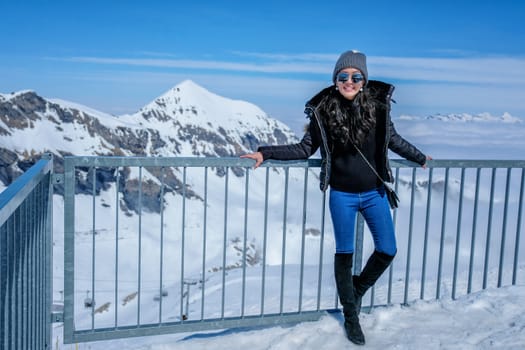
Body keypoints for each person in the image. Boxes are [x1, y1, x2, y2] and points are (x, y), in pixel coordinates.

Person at [241, 50, 431, 345]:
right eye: (343, 77)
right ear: (336, 79)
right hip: (341, 194)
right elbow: (304, 149)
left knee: (388, 248)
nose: (349, 82)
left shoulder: (379, 108)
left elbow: (392, 140)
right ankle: (351, 317)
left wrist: (419, 157)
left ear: (364, 80)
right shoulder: (323, 110)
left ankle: (353, 294)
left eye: (356, 77)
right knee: (344, 253)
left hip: (374, 192)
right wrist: (266, 152)